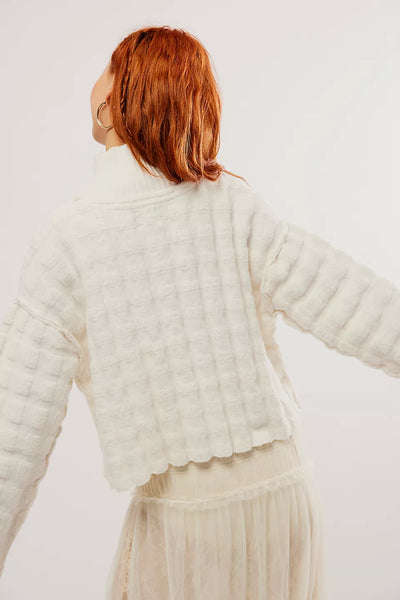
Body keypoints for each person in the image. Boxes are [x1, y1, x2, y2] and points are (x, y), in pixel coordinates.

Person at [1, 25, 399, 600]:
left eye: (108, 67)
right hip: (284, 493)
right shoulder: (231, 206)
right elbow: (352, 302)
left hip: (187, 521)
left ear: (117, 96)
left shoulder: (69, 239)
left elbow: (16, 427)